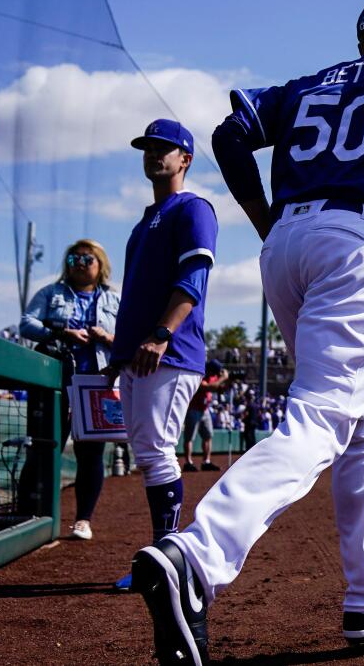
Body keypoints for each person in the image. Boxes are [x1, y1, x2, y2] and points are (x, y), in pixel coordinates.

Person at [130, 0, 364, 659]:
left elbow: (231, 136)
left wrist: (265, 218)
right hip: (355, 239)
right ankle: (196, 558)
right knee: (322, 418)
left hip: (286, 246)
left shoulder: (309, 83)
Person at [109, 118, 219, 591]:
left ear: (185, 159)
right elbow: (133, 295)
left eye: (164, 148)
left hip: (169, 352)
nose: (154, 155)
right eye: (148, 148)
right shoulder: (142, 223)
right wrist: (117, 355)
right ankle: (164, 560)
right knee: (147, 453)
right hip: (138, 354)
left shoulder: (193, 208)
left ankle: (168, 562)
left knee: (156, 451)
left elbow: (192, 280)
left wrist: (161, 334)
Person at [19, 239, 119, 540]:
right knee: (43, 445)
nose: (79, 263)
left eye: (86, 259)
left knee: (91, 454)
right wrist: (62, 332)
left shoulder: (114, 300)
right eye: (73, 258)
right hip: (54, 379)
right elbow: (26, 323)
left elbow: (130, 335)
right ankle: (28, 513)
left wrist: (106, 336)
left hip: (96, 381)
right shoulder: (52, 293)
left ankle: (83, 520)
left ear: (100, 264)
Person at [182, 360, 231, 472]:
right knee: (189, 438)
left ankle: (206, 461)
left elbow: (219, 388)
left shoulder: (213, 377)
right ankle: (188, 462)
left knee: (208, 436)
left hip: (205, 410)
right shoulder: (200, 376)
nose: (216, 374)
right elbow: (208, 387)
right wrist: (223, 378)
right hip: (193, 409)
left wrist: (229, 381)